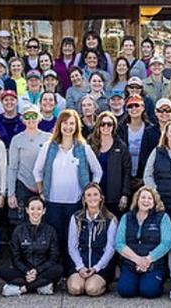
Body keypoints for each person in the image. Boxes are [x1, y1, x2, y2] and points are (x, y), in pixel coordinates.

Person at [33, 109, 103, 273]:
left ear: (76, 126)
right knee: (56, 239)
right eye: (65, 123)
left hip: (75, 202)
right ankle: (56, 273)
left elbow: (97, 171)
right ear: (59, 125)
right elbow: (37, 171)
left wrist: (90, 193)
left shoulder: (83, 148)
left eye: (72, 123)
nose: (68, 127)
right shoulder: (49, 147)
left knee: (74, 240)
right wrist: (42, 192)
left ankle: (72, 272)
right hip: (53, 202)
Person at [115, 186, 171, 299]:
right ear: (137, 199)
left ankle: (151, 281)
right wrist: (137, 260)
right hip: (131, 263)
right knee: (125, 291)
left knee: (149, 292)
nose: (146, 201)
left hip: (154, 265)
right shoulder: (126, 217)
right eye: (143, 197)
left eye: (149, 198)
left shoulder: (163, 217)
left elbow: (167, 243)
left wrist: (147, 260)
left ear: (155, 202)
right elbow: (119, 243)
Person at [0, 197, 62, 297]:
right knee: (2, 270)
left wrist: (37, 271)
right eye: (32, 209)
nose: (35, 212)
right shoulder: (18, 230)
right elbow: (15, 257)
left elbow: (53, 257)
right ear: (27, 210)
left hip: (42, 269)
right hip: (24, 270)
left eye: (39, 209)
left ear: (44, 211)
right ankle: (40, 285)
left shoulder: (50, 231)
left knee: (58, 269)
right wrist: (26, 271)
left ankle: (22, 288)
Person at [67, 183, 119, 297]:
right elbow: (72, 246)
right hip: (80, 264)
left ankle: (101, 283)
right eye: (88, 195)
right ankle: (82, 279)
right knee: (75, 289)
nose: (92, 198)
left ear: (101, 198)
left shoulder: (110, 219)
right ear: (84, 199)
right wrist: (80, 267)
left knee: (91, 289)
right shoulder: (76, 218)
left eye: (95, 194)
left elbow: (110, 248)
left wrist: (97, 268)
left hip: (101, 266)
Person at [7, 107, 51, 222]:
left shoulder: (48, 138)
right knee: (23, 221)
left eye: (34, 116)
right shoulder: (16, 139)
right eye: (27, 116)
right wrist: (11, 193)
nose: (31, 119)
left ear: (39, 118)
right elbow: (12, 168)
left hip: (44, 186)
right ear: (23, 119)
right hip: (24, 185)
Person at [88, 111, 132, 216]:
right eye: (103, 124)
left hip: (114, 196)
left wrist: (125, 194)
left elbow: (127, 171)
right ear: (98, 126)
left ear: (114, 126)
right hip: (94, 196)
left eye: (109, 124)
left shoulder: (121, 146)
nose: (106, 127)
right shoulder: (90, 144)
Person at [116, 94, 161, 194]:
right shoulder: (120, 129)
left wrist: (143, 178)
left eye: (136, 105)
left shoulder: (151, 129)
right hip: (124, 177)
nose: (133, 108)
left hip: (144, 176)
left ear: (143, 108)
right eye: (130, 106)